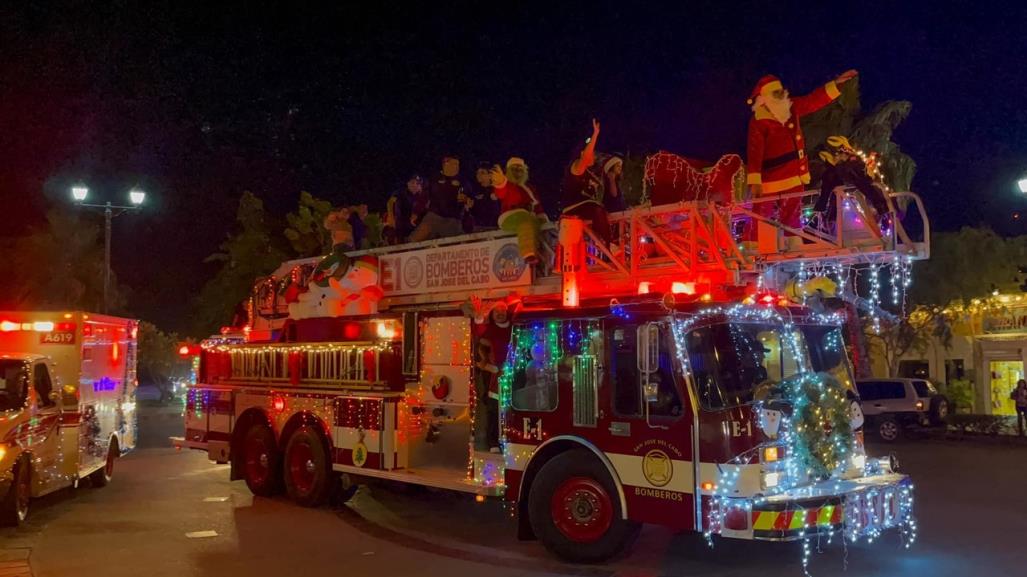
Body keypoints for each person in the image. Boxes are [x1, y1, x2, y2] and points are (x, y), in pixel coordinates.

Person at [745, 70, 858, 238]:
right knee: (761, 215)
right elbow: (754, 152)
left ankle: (792, 243)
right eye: (776, 93)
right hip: (770, 178)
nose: (782, 95)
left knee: (791, 216)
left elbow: (813, 101)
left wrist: (836, 84)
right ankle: (753, 244)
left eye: (781, 91)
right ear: (765, 97)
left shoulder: (791, 108)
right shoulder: (759, 122)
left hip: (794, 175)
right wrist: (755, 181)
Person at [561, 119, 612, 246]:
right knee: (597, 209)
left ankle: (606, 244)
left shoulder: (592, 175)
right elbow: (585, 159)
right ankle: (607, 244)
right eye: (591, 152)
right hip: (572, 208)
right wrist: (595, 135)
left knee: (602, 211)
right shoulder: (576, 167)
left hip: (585, 209)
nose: (593, 155)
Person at [491, 158, 547, 263]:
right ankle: (528, 254)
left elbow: (537, 206)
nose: (517, 172)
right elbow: (501, 192)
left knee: (542, 227)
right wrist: (500, 182)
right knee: (525, 220)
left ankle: (543, 258)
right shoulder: (509, 185)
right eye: (514, 169)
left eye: (520, 169)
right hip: (510, 216)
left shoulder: (529, 188)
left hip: (530, 217)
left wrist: (543, 219)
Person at [409, 155, 466, 242]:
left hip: (452, 220)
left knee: (459, 243)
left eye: (458, 164)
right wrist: (416, 212)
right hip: (434, 217)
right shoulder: (434, 179)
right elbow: (424, 196)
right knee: (413, 240)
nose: (457, 167)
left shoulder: (462, 181)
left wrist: (466, 199)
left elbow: (469, 197)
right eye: (454, 164)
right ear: (445, 164)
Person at [474, 338, 500, 452]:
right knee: (492, 418)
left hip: (498, 392)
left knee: (495, 418)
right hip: (492, 392)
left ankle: (494, 442)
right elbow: (479, 366)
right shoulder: (486, 358)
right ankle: (492, 442)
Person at [384, 175, 424, 244]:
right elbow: (390, 202)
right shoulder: (401, 192)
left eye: (417, 183)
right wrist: (391, 217)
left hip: (414, 226)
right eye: (412, 183)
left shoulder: (420, 196)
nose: (415, 185)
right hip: (401, 224)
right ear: (408, 183)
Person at [468, 161, 500, 232]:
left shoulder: (498, 189)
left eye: (482, 173)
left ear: (490, 175)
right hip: (478, 228)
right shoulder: (474, 191)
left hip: (495, 228)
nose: (478, 175)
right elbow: (473, 212)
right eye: (477, 173)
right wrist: (470, 207)